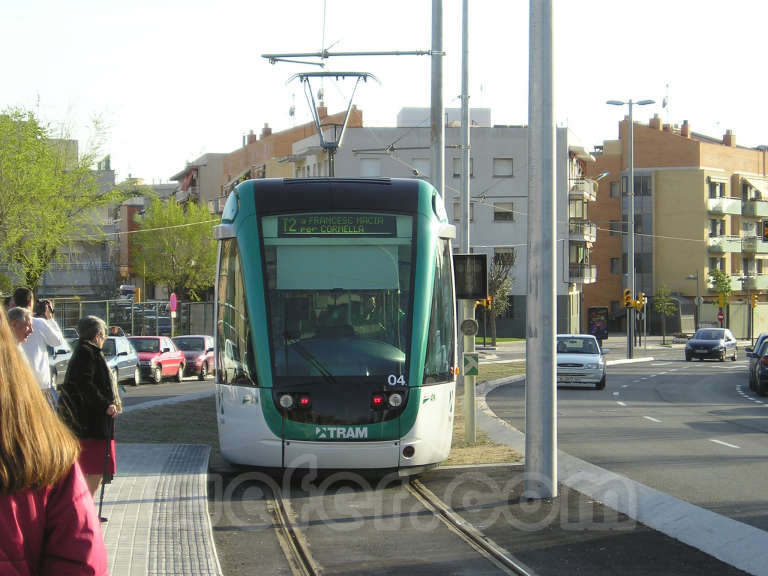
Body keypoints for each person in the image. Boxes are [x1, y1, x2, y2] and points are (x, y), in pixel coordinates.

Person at [0, 307, 109, 575]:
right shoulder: (44, 456)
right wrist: (105, 405)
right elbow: (81, 560)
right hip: (83, 428)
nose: (30, 331)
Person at [58, 315, 122, 497]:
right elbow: (86, 384)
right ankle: (85, 509)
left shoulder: (84, 351)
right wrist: (105, 405)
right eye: (104, 336)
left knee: (93, 468)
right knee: (94, 468)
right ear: (97, 336)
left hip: (86, 421)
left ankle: (85, 509)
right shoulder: (88, 353)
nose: (104, 340)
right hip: (89, 423)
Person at [12, 287, 64, 407]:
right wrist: (50, 318)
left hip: (18, 382)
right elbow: (57, 340)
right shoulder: (39, 323)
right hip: (40, 383)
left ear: (14, 302)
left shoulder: (8, 324)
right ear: (31, 302)